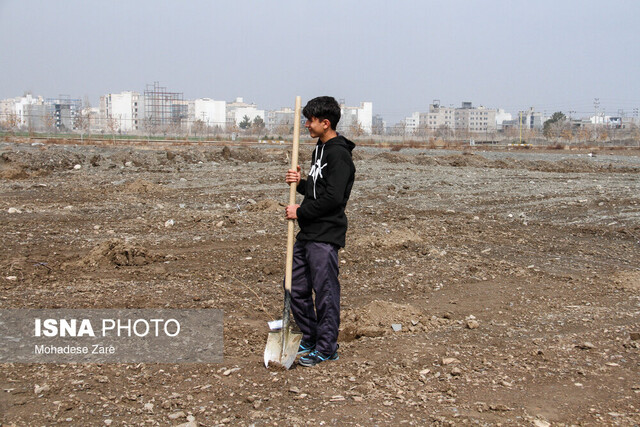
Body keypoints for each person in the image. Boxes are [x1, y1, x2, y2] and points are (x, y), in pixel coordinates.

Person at [285, 96, 356, 367]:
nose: (306, 125)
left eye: (310, 120)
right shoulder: (320, 149)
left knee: (325, 292)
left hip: (325, 235)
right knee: (294, 285)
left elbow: (334, 199)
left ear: (325, 123)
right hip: (308, 232)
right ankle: (311, 336)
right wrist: (300, 183)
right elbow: (318, 191)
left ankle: (327, 347)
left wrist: (299, 212)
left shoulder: (339, 155)